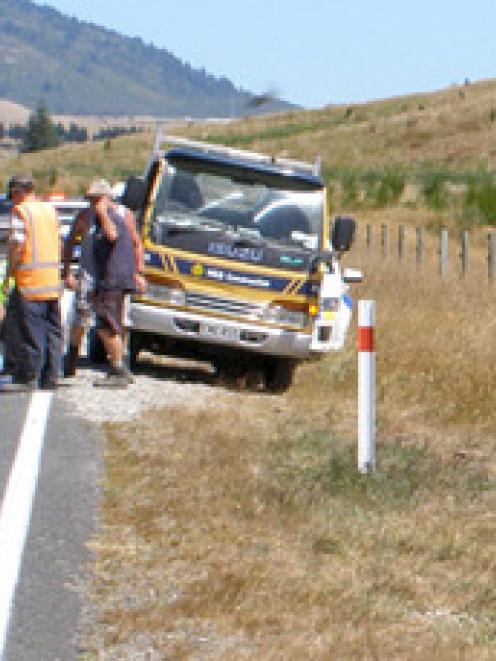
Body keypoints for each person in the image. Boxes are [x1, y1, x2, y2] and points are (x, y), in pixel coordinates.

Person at [64, 179, 145, 388]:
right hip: (91, 275)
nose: (92, 204)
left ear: (108, 198)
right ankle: (71, 358)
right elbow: (71, 241)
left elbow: (122, 239)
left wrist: (138, 272)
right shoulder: (85, 216)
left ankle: (119, 366)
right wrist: (66, 270)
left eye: (96, 199)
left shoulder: (119, 216)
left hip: (111, 278)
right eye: (90, 200)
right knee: (83, 319)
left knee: (109, 323)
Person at [1, 174, 62, 391]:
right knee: (52, 331)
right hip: (51, 281)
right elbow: (59, 242)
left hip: (30, 280)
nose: (13, 199)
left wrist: (9, 273)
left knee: (30, 331)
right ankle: (52, 376)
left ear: (18, 191)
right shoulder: (49, 209)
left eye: (13, 194)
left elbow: (17, 245)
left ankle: (27, 377)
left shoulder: (21, 211)